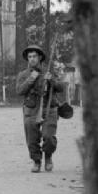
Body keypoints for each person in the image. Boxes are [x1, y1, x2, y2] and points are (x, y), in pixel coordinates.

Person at [15, 43, 66, 172]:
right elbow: (19, 91)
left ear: (40, 58)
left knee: (49, 137)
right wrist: (30, 79)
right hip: (31, 109)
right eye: (29, 56)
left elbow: (61, 87)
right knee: (32, 138)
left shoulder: (50, 72)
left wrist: (51, 80)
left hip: (49, 108)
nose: (31, 59)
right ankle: (36, 161)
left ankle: (48, 157)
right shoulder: (23, 74)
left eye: (34, 56)